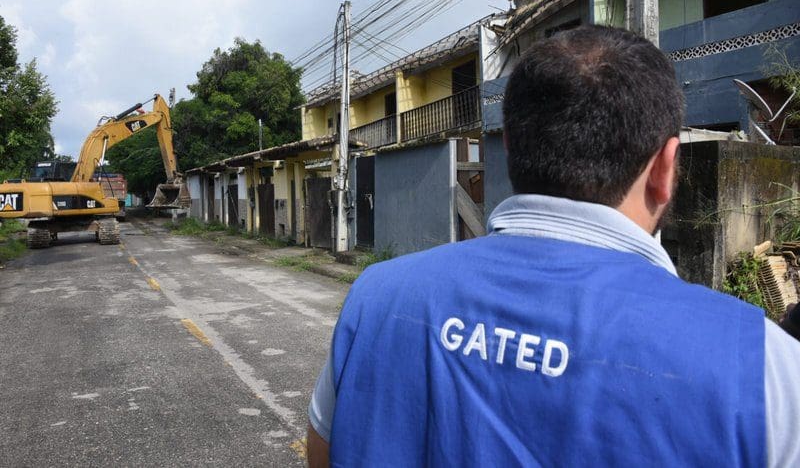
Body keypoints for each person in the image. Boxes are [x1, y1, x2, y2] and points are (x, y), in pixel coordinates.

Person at [307, 26, 800, 466]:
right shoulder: (765, 370)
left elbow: (322, 452)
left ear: (516, 149)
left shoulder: (375, 298)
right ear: (667, 167)